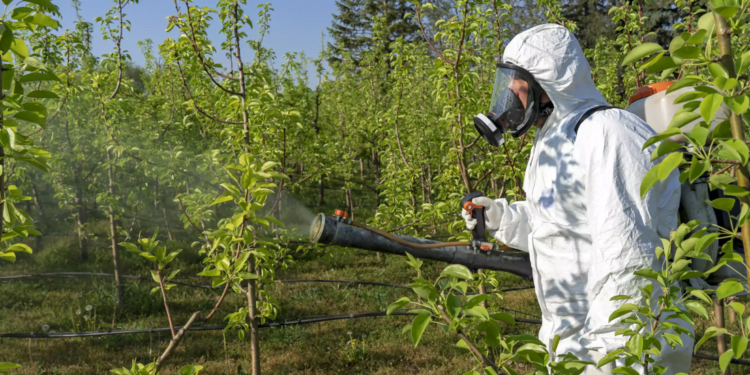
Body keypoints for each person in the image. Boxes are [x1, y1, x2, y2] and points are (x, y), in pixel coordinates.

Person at [463, 24, 694, 374]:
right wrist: (503, 219)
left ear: (548, 82)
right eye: (507, 81)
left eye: (518, 81)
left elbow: (628, 254)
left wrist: (619, 356)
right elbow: (560, 224)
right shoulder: (554, 139)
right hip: (572, 344)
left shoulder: (607, 133)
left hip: (622, 345)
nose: (510, 91)